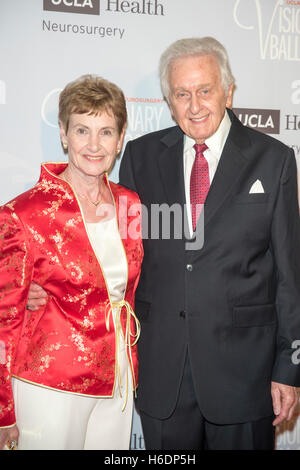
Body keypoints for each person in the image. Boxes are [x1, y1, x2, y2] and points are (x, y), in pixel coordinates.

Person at [27, 37, 300, 450]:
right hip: (161, 371)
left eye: (205, 90)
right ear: (168, 101)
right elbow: (110, 252)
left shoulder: (274, 159)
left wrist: (289, 368)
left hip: (244, 372)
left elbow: (289, 276)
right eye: (182, 94)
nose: (195, 105)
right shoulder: (140, 155)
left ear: (228, 90)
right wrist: (44, 286)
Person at [0, 74, 143, 450]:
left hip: (118, 379)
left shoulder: (131, 204)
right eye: (82, 130)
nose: (94, 145)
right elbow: (4, 318)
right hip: (50, 383)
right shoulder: (23, 213)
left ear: (121, 136)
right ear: (63, 134)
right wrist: (3, 410)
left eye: (106, 132)